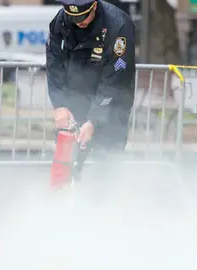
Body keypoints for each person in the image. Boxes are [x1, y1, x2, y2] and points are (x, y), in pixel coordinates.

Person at [46, 0, 136, 177]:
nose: (79, 22)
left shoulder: (118, 25)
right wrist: (60, 105)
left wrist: (94, 120)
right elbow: (54, 63)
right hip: (76, 98)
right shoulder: (62, 20)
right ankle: (67, 198)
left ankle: (103, 200)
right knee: (68, 161)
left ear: (94, 6)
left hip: (112, 104)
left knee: (107, 163)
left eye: (83, 16)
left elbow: (116, 77)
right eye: (73, 17)